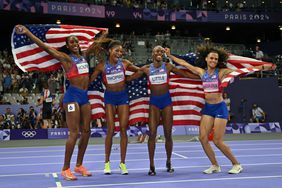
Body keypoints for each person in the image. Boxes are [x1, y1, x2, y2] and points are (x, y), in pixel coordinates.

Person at [165, 43, 275, 174]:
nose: (213, 61)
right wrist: (170, 55)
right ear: (206, 59)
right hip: (208, 109)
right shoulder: (201, 72)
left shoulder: (222, 72)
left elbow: (244, 70)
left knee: (217, 140)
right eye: (211, 58)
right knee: (203, 138)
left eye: (216, 59)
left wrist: (262, 67)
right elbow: (184, 64)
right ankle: (215, 165)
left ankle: (236, 164)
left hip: (219, 108)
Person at [15, 24, 94, 180]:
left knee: (86, 131)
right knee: (74, 133)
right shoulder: (65, 58)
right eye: (72, 42)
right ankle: (65, 168)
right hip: (72, 97)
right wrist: (27, 32)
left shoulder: (83, 57)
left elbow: (94, 46)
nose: (75, 44)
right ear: (67, 46)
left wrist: (103, 34)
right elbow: (45, 47)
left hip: (84, 96)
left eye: (77, 42)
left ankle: (79, 165)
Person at [127, 45, 199, 175]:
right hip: (154, 103)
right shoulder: (146, 69)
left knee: (167, 135)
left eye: (161, 51)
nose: (159, 53)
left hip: (166, 103)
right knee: (152, 135)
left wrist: (200, 77)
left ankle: (169, 161)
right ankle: (152, 165)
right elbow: (130, 78)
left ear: (163, 54)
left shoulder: (168, 66)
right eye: (156, 51)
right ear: (152, 54)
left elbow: (184, 74)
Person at [88, 38, 140, 175]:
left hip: (123, 97)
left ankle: (122, 164)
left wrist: (130, 78)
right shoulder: (101, 66)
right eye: (117, 51)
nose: (119, 53)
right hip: (109, 98)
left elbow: (140, 71)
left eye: (121, 51)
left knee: (123, 129)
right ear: (110, 51)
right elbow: (89, 80)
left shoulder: (125, 63)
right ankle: (107, 163)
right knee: (110, 130)